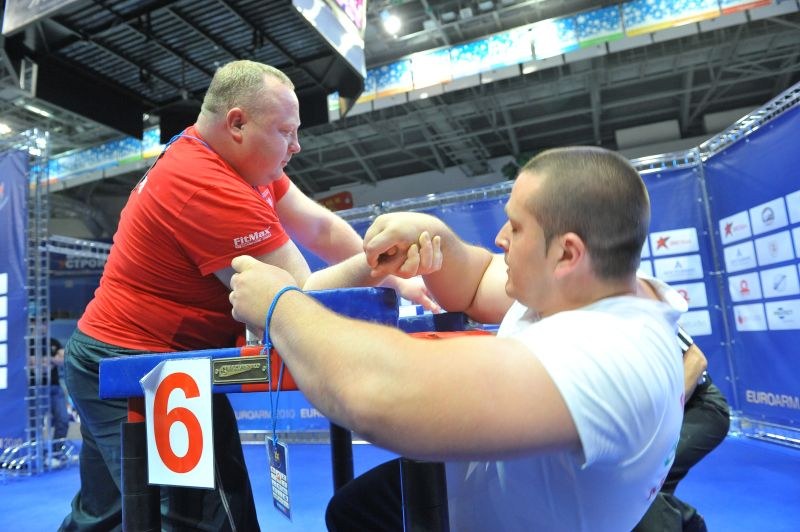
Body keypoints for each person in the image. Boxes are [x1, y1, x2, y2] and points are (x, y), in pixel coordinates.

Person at [60, 59, 436, 532]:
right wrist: (381, 262)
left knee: (105, 514)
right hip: (140, 368)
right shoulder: (206, 185)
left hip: (110, 358)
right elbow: (295, 300)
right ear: (237, 123)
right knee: (200, 520)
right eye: (286, 131)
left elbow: (318, 225)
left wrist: (397, 278)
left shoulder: (236, 162)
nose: (296, 146)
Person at [228, 146, 686, 531]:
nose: (501, 237)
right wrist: (434, 239)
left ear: (566, 252)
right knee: (353, 509)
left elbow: (382, 395)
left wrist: (278, 306)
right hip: (474, 494)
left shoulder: (607, 353)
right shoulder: (585, 286)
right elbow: (480, 276)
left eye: (517, 226)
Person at [634, 327, 730, 532]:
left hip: (699, 407)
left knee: (642, 482)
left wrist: (662, 418)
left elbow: (696, 360)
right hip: (647, 424)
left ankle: (688, 524)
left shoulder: (642, 310)